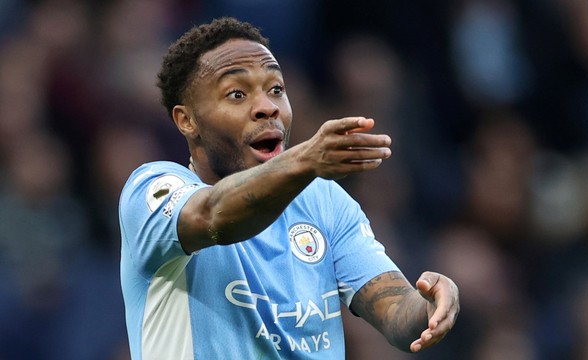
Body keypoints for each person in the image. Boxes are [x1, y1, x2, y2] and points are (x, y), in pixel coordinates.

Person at [119, 17, 459, 359]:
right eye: (237, 94)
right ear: (186, 120)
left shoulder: (323, 201)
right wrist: (305, 161)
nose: (267, 107)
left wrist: (430, 307)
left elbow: (398, 316)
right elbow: (212, 216)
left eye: (276, 90)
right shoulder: (152, 190)